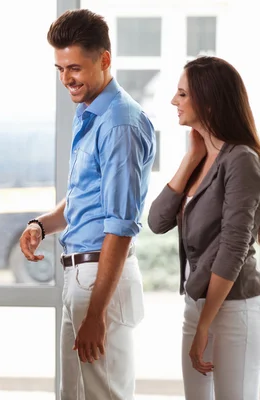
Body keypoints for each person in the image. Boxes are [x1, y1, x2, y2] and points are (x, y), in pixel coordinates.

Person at [19, 9, 156, 399]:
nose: (67, 79)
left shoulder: (119, 123)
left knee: (104, 395)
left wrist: (96, 314)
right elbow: (85, 197)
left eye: (75, 68)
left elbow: (120, 225)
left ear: (105, 60)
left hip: (101, 281)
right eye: (60, 69)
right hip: (80, 276)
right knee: (74, 395)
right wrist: (42, 225)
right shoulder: (90, 113)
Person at [148, 56, 260, 399]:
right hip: (197, 305)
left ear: (208, 100)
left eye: (182, 94)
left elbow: (233, 248)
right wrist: (190, 159)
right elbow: (157, 221)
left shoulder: (241, 159)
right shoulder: (203, 156)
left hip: (232, 309)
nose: (173, 101)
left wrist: (206, 324)